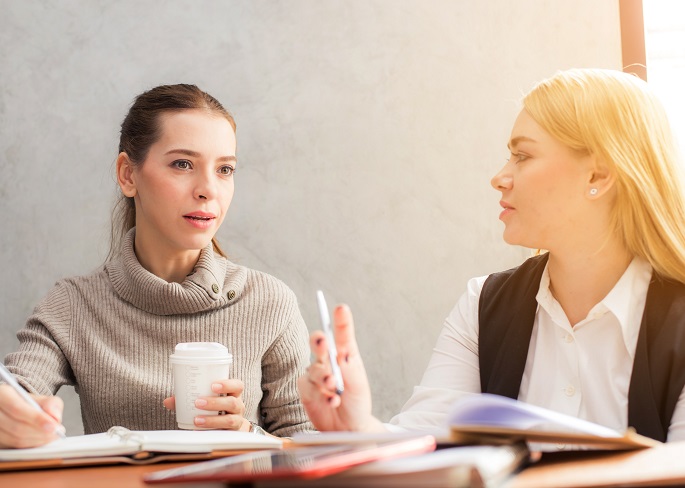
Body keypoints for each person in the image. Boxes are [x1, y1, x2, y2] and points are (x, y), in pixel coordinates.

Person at [299, 68, 685, 443]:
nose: (499, 177)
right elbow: (427, 440)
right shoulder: (481, 305)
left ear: (598, 177)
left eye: (523, 156)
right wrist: (361, 428)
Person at [0, 84, 313, 448]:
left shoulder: (270, 303)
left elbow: (310, 450)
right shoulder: (72, 305)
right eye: (183, 164)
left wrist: (248, 436)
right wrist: (14, 417)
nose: (208, 189)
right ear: (128, 175)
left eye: (225, 169)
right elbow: (17, 391)